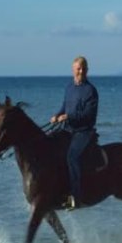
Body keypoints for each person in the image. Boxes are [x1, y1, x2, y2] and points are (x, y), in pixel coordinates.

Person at [50, 56, 99, 210]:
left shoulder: (90, 90)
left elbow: (89, 115)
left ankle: (76, 197)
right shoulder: (69, 87)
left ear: (87, 70)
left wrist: (68, 116)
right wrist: (57, 115)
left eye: (84, 68)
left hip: (84, 131)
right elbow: (65, 106)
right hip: (68, 129)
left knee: (72, 156)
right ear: (73, 69)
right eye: (78, 68)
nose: (81, 71)